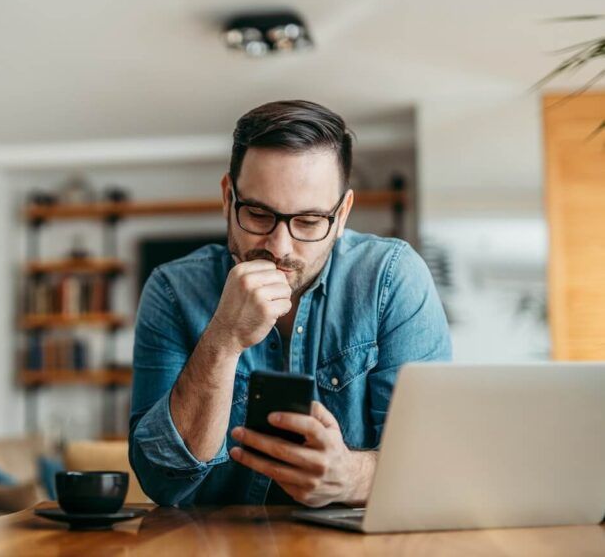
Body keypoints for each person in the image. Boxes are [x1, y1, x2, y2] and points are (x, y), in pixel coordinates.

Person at [128, 100, 451, 507]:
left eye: (309, 221)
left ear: (343, 214)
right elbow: (161, 480)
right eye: (259, 214)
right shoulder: (172, 290)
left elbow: (433, 468)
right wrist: (223, 340)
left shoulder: (392, 278)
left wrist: (350, 478)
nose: (279, 247)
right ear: (228, 198)